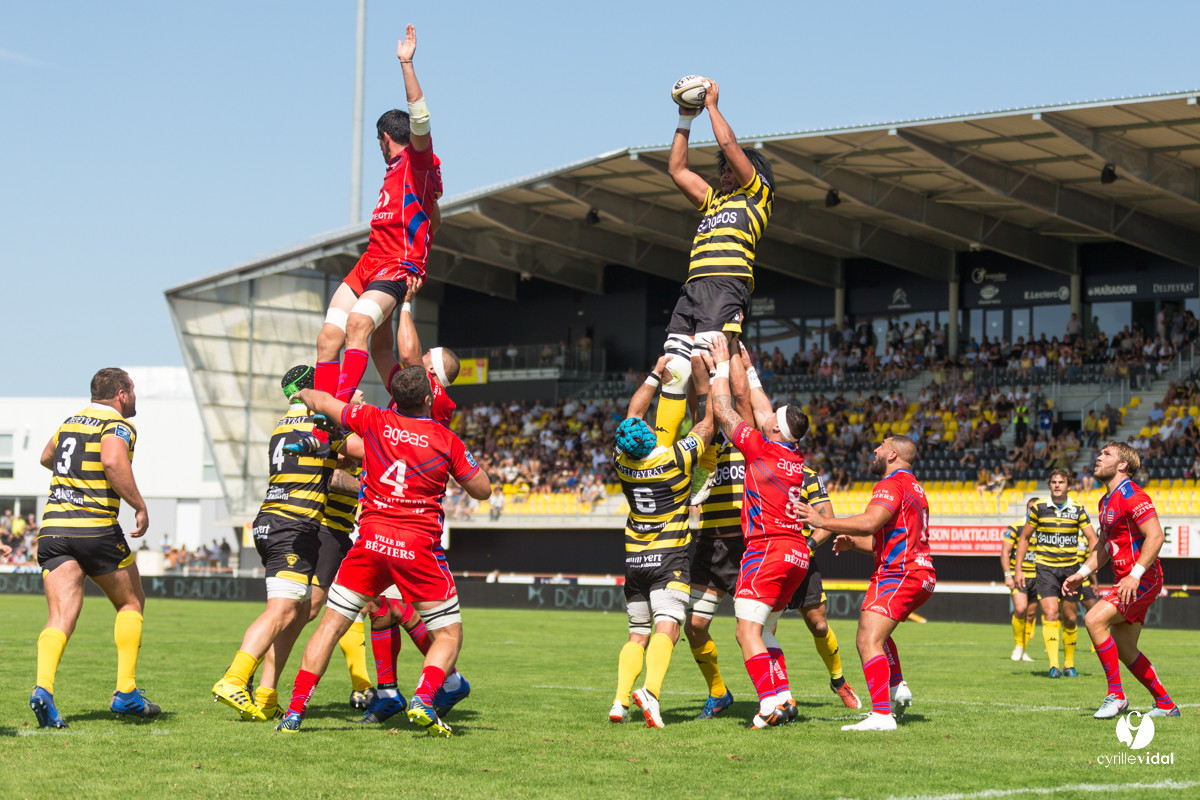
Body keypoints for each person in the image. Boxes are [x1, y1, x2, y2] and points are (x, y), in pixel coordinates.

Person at [276, 366, 490, 737]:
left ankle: (294, 713)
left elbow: (323, 401)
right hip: (417, 547)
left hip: (371, 542)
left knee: (330, 627)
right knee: (448, 635)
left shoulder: (373, 419)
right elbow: (482, 490)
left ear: (395, 397)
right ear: (429, 398)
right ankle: (424, 698)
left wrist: (302, 395)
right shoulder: (446, 440)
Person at [307, 25, 443, 443]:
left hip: (395, 266)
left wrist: (406, 63)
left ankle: (337, 414)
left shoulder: (417, 161)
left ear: (385, 139)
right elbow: (434, 218)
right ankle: (328, 426)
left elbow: (421, 116)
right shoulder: (399, 175)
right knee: (328, 337)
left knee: (357, 326)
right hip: (369, 262)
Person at [211, 366, 359, 721]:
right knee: (281, 611)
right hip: (291, 526)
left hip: (273, 521)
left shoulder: (282, 426)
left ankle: (266, 693)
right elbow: (364, 452)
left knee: (293, 611)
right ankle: (234, 679)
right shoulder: (320, 425)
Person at [661, 77, 775, 503]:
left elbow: (729, 145)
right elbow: (677, 171)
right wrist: (683, 119)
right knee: (675, 367)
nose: (724, 171)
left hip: (726, 288)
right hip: (692, 289)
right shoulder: (712, 201)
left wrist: (711, 106)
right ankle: (663, 450)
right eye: (722, 169)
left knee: (705, 366)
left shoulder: (757, 195)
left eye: (730, 167)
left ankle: (707, 461)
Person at [30, 368, 159, 727]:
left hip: (54, 529)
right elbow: (113, 460)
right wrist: (139, 506)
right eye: (132, 390)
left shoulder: (70, 422)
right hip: (94, 528)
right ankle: (126, 693)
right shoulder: (118, 425)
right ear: (121, 394)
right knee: (131, 602)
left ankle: (43, 689)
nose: (134, 397)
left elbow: (46, 456)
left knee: (60, 617)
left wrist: (74, 481)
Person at [703, 338, 819, 728]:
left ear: (775, 428)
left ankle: (768, 703)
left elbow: (724, 411)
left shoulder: (761, 449)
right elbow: (766, 409)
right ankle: (784, 697)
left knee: (745, 632)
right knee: (767, 629)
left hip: (767, 548)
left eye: (773, 416)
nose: (767, 413)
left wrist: (721, 366)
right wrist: (750, 369)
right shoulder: (793, 454)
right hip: (797, 553)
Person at [797, 435, 935, 732]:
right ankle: (896, 686)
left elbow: (870, 522)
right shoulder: (915, 487)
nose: (875, 450)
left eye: (882, 446)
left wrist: (822, 522)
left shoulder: (891, 484)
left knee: (866, 639)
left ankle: (882, 714)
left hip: (899, 573)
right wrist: (854, 544)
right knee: (878, 635)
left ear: (893, 455)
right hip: (919, 572)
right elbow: (887, 538)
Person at [609, 357, 714, 728]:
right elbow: (707, 425)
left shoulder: (622, 462)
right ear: (650, 436)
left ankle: (620, 700)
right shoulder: (674, 460)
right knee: (667, 628)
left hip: (635, 560)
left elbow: (633, 413)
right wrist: (708, 385)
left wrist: (655, 374)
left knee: (637, 634)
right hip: (669, 560)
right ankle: (651, 693)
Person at [1065, 442, 1179, 719]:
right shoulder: (1105, 501)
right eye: (1100, 453)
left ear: (1122, 465)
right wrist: (1081, 573)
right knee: (1126, 649)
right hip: (1127, 581)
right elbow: (1104, 547)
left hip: (1143, 579)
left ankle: (1116, 695)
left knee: (1094, 619)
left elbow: (1156, 536)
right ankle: (1166, 705)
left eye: (1106, 454)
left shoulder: (1132, 495)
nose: (1098, 457)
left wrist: (1135, 575)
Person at [1014, 469, 1097, 678]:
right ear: (1049, 485)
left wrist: (1090, 565)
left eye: (1061, 482)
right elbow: (1024, 538)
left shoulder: (1078, 509)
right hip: (1045, 569)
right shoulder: (1039, 507)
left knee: (1070, 617)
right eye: (1053, 482)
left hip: (1071, 570)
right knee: (1051, 613)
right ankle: (1054, 666)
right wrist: (1018, 569)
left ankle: (1069, 664)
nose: (1057, 485)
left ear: (1068, 486)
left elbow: (1093, 539)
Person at [1000, 499, 1040, 662]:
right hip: (1019, 576)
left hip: (1039, 578)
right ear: (1026, 509)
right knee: (1021, 608)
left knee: (1030, 615)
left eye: (1035, 509)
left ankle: (1023, 650)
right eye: (1030, 508)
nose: (1032, 511)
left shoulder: (1044, 529)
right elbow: (1005, 552)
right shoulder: (1015, 527)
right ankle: (1018, 646)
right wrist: (1007, 575)